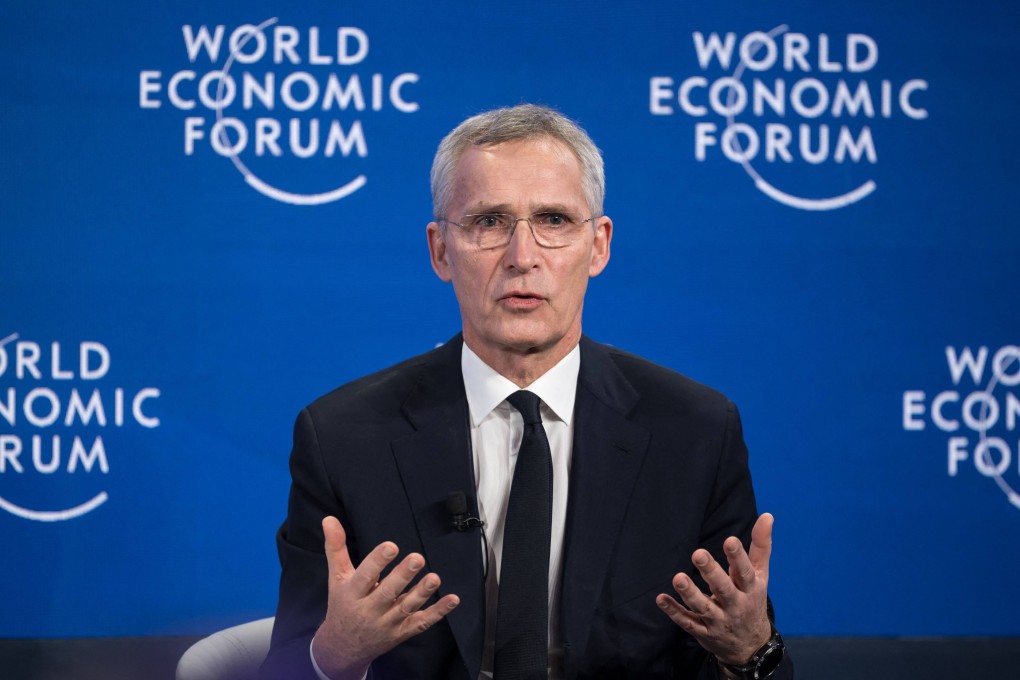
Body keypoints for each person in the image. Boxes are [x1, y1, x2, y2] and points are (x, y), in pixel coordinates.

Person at [260, 104, 793, 680]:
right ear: (441, 250)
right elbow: (285, 668)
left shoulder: (694, 432)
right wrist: (333, 654)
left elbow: (744, 662)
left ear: (599, 246)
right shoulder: (342, 436)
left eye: (555, 221)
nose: (522, 257)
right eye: (489, 221)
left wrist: (750, 652)